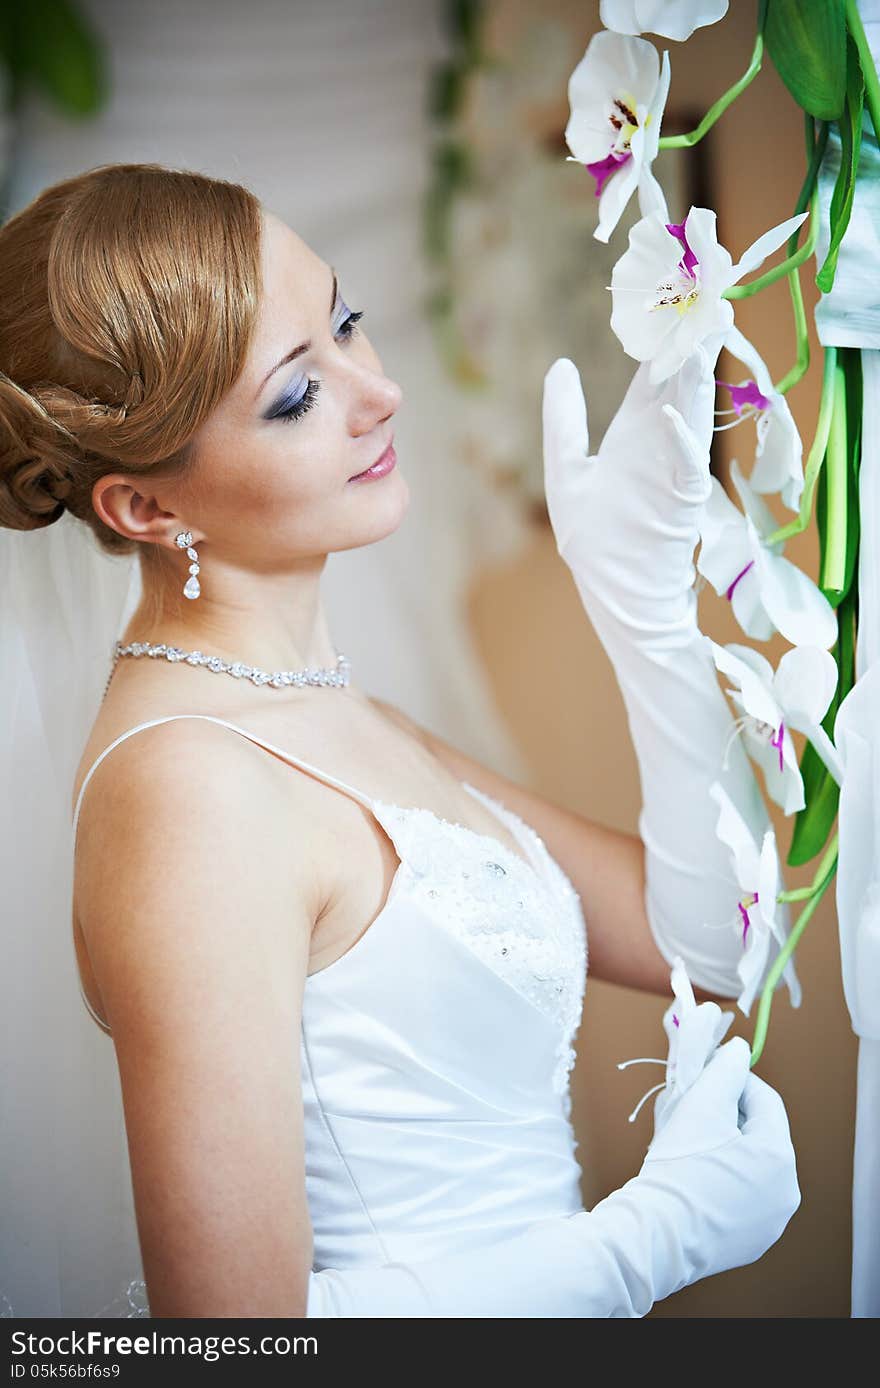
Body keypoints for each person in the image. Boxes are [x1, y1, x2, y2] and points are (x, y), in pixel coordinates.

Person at [0, 162, 799, 1319]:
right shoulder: (187, 791)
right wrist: (642, 1243)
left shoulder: (327, 711)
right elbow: (236, 1344)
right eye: (293, 395)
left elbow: (718, 940)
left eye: (345, 325)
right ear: (146, 508)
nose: (377, 393)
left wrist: (643, 613)